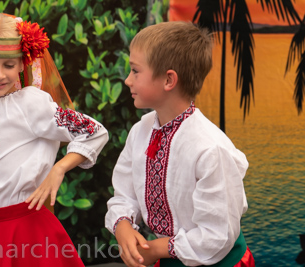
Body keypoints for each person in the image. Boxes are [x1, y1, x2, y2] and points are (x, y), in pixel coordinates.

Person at [0, 13, 108, 266]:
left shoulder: (30, 103)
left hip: (30, 230)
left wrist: (59, 168)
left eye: (8, 65)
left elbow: (93, 130)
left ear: (23, 64)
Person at [105, 21, 255, 267]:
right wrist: (122, 224)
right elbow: (125, 192)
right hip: (166, 257)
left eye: (135, 71)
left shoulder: (209, 149)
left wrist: (155, 249)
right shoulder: (140, 131)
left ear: (168, 80)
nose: (128, 81)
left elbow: (217, 234)